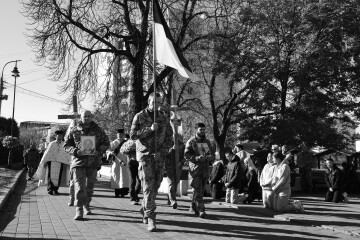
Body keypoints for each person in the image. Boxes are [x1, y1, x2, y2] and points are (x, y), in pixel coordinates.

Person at [130, 92, 173, 232]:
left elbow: (169, 139)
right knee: (148, 186)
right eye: (154, 102)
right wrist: (149, 129)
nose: (157, 105)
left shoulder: (165, 119)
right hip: (145, 156)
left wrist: (163, 151)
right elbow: (133, 135)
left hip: (159, 156)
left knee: (156, 185)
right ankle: (151, 217)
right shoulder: (139, 116)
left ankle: (145, 207)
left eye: (159, 103)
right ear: (149, 101)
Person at [64, 110, 110, 220]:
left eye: (89, 116)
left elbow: (106, 143)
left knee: (90, 187)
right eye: (85, 116)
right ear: (81, 117)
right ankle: (78, 209)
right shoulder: (74, 130)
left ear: (92, 117)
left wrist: (98, 151)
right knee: (79, 186)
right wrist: (75, 151)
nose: (87, 118)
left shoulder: (99, 130)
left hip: (93, 162)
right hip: (79, 162)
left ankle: (86, 205)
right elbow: (67, 145)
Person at [184, 122, 215, 218]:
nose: (202, 131)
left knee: (199, 192)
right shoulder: (191, 141)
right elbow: (187, 155)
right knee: (197, 190)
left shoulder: (207, 142)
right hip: (195, 170)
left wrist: (210, 157)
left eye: (204, 130)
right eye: (201, 130)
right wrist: (197, 158)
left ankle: (193, 207)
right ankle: (202, 210)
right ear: (196, 130)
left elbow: (209, 154)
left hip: (205, 170)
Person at [36, 129, 72, 195]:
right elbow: (47, 153)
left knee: (59, 176)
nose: (59, 137)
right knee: (50, 175)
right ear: (56, 136)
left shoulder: (64, 144)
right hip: (51, 162)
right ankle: (50, 189)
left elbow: (66, 154)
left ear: (62, 136)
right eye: (58, 135)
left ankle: (55, 189)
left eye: (61, 135)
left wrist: (68, 161)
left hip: (60, 162)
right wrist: (45, 161)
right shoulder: (52, 144)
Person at [106, 129, 129, 198]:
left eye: (122, 134)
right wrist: (110, 153)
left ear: (124, 135)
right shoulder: (113, 143)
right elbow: (108, 150)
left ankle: (123, 193)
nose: (121, 135)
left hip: (125, 162)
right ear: (117, 135)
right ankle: (117, 193)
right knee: (117, 176)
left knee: (124, 177)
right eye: (119, 134)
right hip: (116, 162)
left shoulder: (127, 142)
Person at [165, 133, 186, 209]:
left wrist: (181, 162)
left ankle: (169, 198)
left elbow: (186, 156)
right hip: (169, 166)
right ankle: (173, 200)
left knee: (176, 182)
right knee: (171, 182)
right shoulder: (168, 143)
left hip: (178, 167)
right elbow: (165, 154)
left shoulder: (182, 145)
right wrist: (172, 149)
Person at [120, 135, 141, 205]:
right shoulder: (128, 142)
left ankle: (135, 194)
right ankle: (132, 198)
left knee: (140, 180)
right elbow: (122, 150)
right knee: (133, 180)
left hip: (139, 163)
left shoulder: (141, 141)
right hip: (131, 163)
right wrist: (129, 151)